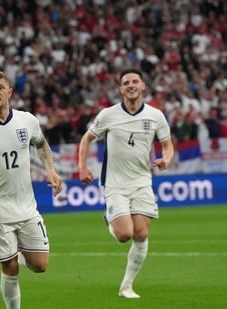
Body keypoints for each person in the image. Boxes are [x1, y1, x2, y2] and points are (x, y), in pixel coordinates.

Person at [0, 70, 63, 309]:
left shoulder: (27, 120)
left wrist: (51, 169)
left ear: (9, 91)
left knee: (40, 265)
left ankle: (9, 252)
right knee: (10, 268)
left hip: (26, 207)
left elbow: (41, 143)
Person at [78, 68, 174, 299]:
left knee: (140, 234)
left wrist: (167, 159)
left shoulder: (155, 116)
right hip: (115, 184)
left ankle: (126, 286)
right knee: (124, 235)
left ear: (142, 86)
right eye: (126, 82)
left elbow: (167, 144)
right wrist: (82, 166)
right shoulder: (108, 115)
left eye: (135, 81)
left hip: (142, 182)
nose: (130, 85)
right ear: (120, 89)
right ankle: (109, 218)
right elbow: (87, 138)